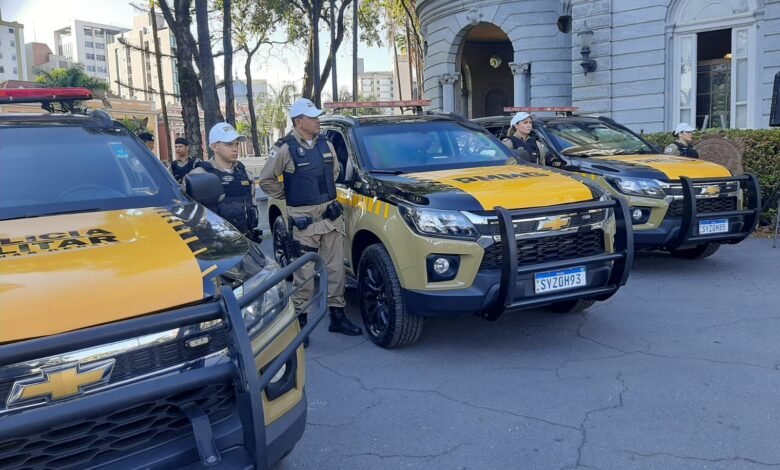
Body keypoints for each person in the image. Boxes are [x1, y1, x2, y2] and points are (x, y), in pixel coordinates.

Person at [258, 98, 362, 340]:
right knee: (303, 274)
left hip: (330, 217)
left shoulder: (326, 143)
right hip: (304, 222)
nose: (317, 121)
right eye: (312, 117)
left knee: (336, 269)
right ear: (298, 121)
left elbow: (334, 172)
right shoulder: (285, 148)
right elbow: (266, 180)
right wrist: (291, 193)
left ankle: (337, 315)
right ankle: (301, 321)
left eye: (317, 116)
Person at [189, 122, 260, 239]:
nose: (235, 149)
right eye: (229, 144)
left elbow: (252, 203)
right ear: (214, 147)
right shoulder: (198, 175)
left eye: (236, 144)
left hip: (245, 238)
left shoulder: (246, 174)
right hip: (215, 242)